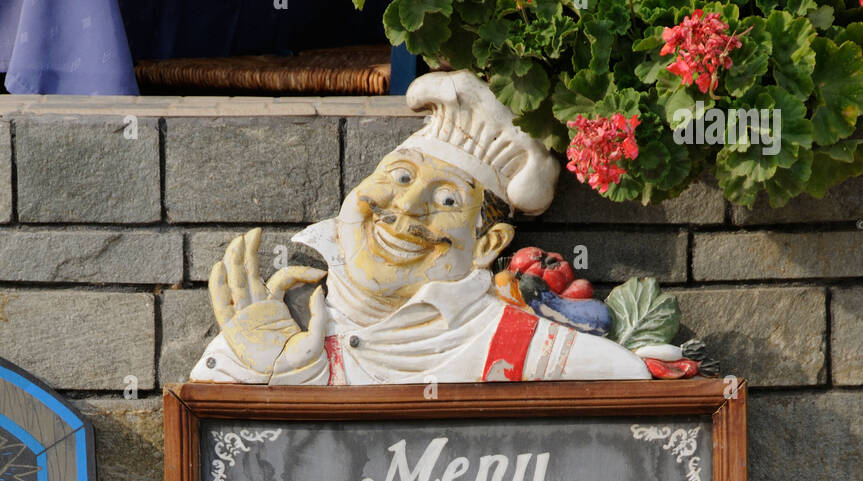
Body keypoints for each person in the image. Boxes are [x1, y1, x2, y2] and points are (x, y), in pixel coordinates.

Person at [190, 70, 654, 386]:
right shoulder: (281, 329)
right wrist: (275, 372)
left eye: (447, 199)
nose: (407, 206)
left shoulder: (533, 351)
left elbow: (642, 403)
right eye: (400, 176)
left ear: (487, 245)